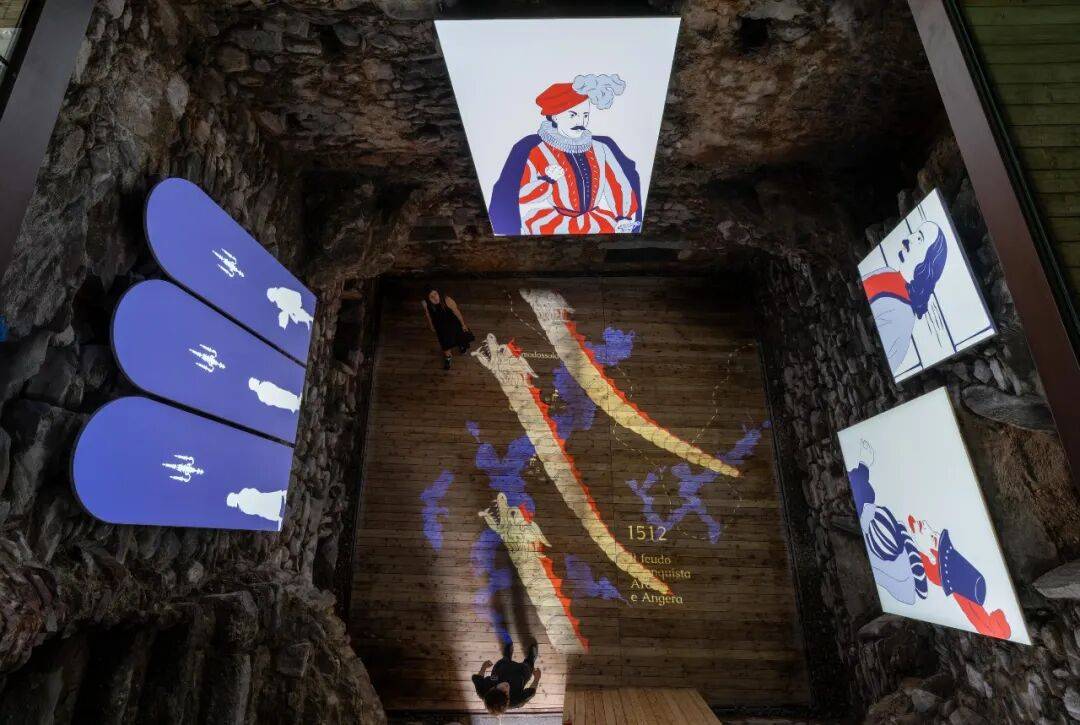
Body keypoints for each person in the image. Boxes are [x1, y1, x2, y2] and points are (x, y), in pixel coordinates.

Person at [488, 74, 642, 236]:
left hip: (596, 221)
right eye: (573, 115)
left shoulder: (601, 149)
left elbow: (617, 184)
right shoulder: (538, 151)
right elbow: (523, 195)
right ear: (555, 116)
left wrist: (623, 217)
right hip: (553, 223)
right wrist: (548, 180)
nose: (581, 122)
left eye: (585, 115)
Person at [472, 642, 541, 714]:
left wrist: (484, 667)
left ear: (490, 689)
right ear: (508, 701)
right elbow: (531, 691)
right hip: (521, 675)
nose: (506, 686)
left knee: (505, 659)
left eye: (499, 688)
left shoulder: (482, 691)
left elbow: (478, 678)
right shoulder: (515, 702)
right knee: (528, 666)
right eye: (506, 693)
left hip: (501, 670)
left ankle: (507, 654)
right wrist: (537, 678)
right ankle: (530, 658)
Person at [421, 287, 472, 370]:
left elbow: (457, 312)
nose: (435, 298)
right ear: (428, 299)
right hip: (441, 327)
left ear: (438, 293)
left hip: (453, 324)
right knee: (444, 342)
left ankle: (462, 346)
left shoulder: (447, 300)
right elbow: (428, 315)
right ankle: (448, 357)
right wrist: (431, 325)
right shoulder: (426, 304)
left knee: (459, 337)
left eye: (435, 294)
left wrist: (463, 324)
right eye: (431, 297)